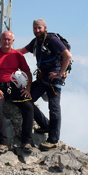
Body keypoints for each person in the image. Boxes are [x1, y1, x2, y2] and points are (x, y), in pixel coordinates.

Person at [18, 19, 72, 151]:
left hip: (54, 80)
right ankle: (45, 125)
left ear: (45, 28)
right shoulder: (35, 41)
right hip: (43, 78)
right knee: (27, 100)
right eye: (35, 28)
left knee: (54, 109)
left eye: (39, 28)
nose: (37, 30)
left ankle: (53, 140)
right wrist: (4, 51)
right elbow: (22, 51)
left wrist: (60, 74)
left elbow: (67, 56)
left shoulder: (52, 40)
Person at [0, 31, 34, 154]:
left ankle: (26, 141)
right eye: (4, 39)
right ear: (0, 40)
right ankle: (3, 142)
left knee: (28, 107)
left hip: (15, 87)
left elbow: (28, 73)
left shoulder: (18, 55)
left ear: (13, 41)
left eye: (9, 40)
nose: (6, 42)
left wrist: (28, 89)